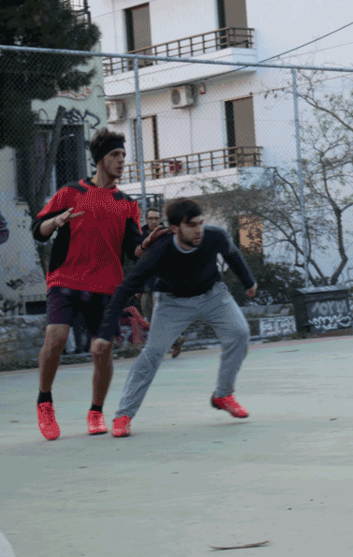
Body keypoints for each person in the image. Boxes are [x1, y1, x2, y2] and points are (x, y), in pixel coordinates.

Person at [32, 129, 168, 441]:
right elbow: (38, 229)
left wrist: (146, 242)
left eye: (123, 155)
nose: (121, 161)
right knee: (56, 337)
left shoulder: (127, 204)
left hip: (106, 287)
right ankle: (44, 401)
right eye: (115, 156)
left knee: (101, 353)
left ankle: (96, 410)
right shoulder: (70, 192)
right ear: (100, 159)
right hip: (65, 279)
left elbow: (134, 249)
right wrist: (57, 221)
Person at [102, 197, 258, 438]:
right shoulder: (160, 249)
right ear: (175, 228)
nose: (198, 230)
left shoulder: (214, 235)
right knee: (153, 353)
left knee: (239, 333)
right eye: (191, 225)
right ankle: (124, 414)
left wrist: (249, 281)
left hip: (213, 295)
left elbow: (232, 254)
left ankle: (223, 395)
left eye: (200, 223)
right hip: (172, 303)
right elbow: (127, 285)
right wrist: (106, 328)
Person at [139, 207, 186, 357]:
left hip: (164, 283)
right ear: (146, 220)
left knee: (160, 318)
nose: (154, 221)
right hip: (146, 283)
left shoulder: (168, 234)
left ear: (160, 220)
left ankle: (159, 349)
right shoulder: (140, 236)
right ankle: (177, 340)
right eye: (151, 218)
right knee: (149, 316)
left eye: (156, 218)